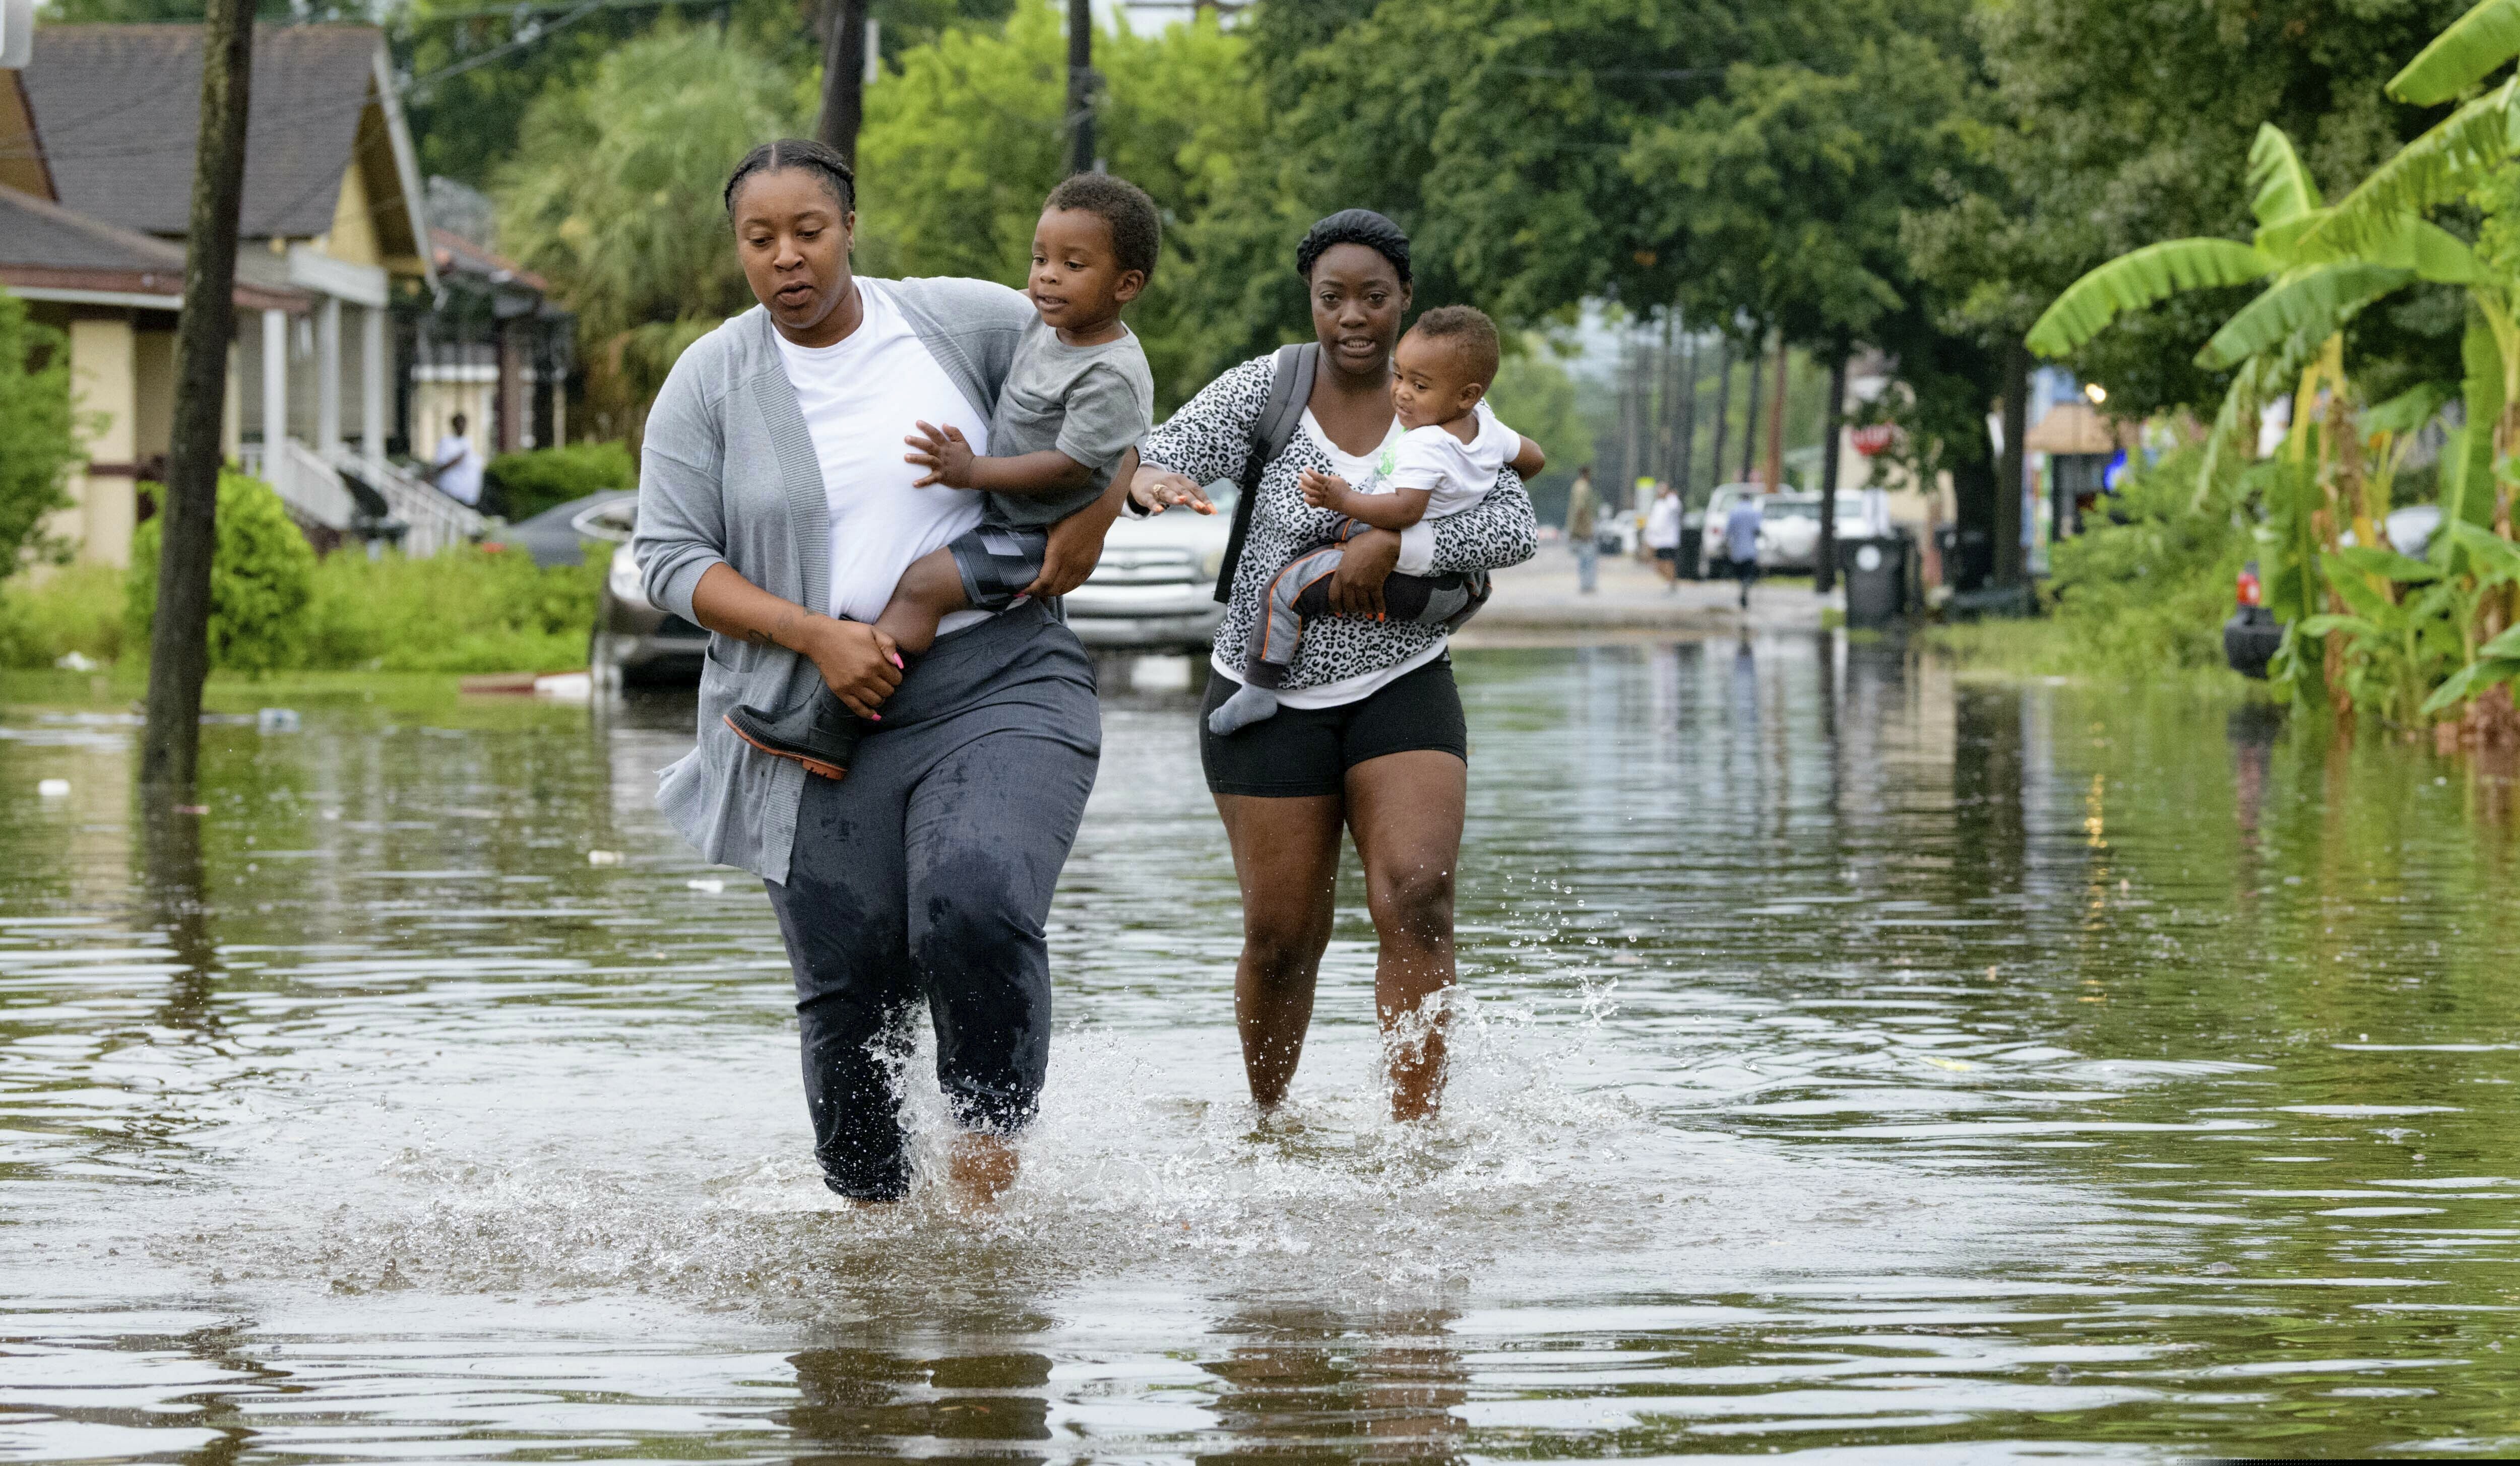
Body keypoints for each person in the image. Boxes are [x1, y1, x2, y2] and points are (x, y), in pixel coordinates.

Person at [632, 139, 1128, 1208]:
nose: (786, 259)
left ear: (850, 227)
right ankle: (872, 1246)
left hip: (998, 681)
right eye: (759, 240)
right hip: (812, 721)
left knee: (975, 901)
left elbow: (1108, 394)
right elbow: (668, 559)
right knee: (850, 998)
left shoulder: (967, 321)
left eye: (808, 232)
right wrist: (814, 633)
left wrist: (1086, 526)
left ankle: (987, 1193)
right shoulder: (711, 382)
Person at [1128, 209, 1539, 1121]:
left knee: (1420, 895)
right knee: (1282, 937)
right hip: (1265, 692)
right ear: (1311, 302)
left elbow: (1513, 529)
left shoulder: (1454, 407)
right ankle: (1271, 1124)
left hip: (1403, 681)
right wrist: (1147, 482)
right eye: (1333, 298)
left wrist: (1396, 542)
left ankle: (1413, 1141)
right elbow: (1155, 454)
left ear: (1405, 304)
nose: (1354, 316)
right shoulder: (1265, 389)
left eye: (1375, 297)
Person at [724, 173, 1160, 780]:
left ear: (1126, 285)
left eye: (1072, 264)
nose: (1047, 276)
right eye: (1040, 259)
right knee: (916, 587)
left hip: (1034, 532)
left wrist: (973, 471)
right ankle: (848, 708)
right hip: (1009, 519)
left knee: (924, 587)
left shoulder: (1109, 370)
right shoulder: (1044, 322)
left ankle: (831, 723)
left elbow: (1073, 464)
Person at [1206, 305, 1543, 736]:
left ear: (1467, 394)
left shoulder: (1428, 444)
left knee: (1283, 589)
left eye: (1420, 386)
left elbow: (1405, 511)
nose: (1402, 393)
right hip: (1446, 591)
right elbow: (1533, 458)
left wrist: (1341, 498)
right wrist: (1478, 481)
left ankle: (1258, 689)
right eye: (1399, 376)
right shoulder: (1487, 427)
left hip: (1400, 571)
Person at [429, 413, 483, 506]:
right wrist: (456, 460)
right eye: (459, 424)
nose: (462, 427)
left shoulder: (468, 442)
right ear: (454, 425)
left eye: (464, 424)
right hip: (450, 492)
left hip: (467, 496)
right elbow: (439, 466)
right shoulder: (446, 442)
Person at [1724, 489, 1764, 609]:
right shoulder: (1755, 512)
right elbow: (1758, 530)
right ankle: (1745, 588)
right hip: (1750, 550)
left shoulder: (1734, 512)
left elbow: (1728, 531)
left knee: (1740, 573)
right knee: (1748, 573)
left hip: (1737, 549)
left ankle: (1743, 587)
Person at [1564, 465, 1600, 594]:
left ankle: (1586, 584)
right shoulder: (1582, 487)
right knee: (1588, 557)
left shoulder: (1578, 486)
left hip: (1582, 528)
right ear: (1587, 473)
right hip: (1585, 530)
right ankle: (1587, 584)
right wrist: (1580, 529)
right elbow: (1580, 508)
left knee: (1584, 557)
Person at [1644, 481, 1681, 590]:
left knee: (1668, 562)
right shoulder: (1657, 505)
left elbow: (1675, 507)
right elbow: (1653, 523)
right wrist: (1649, 539)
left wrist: (1672, 496)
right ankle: (1669, 581)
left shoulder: (1671, 503)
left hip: (1669, 540)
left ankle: (1671, 583)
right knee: (1658, 564)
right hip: (1657, 540)